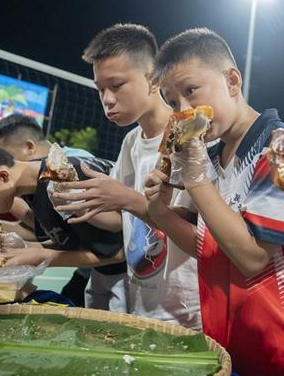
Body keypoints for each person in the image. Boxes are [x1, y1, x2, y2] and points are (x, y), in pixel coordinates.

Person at [143, 28, 284, 375]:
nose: (183, 111)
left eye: (191, 92)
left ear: (232, 81)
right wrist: (158, 211)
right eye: (173, 103)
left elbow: (252, 258)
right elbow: (210, 247)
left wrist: (198, 180)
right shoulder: (210, 156)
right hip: (230, 343)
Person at [53, 23, 201, 329]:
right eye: (100, 89)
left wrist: (126, 198)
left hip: (184, 311)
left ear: (153, 78)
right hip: (140, 302)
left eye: (117, 86)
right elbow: (125, 222)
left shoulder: (188, 137)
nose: (106, 99)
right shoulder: (132, 142)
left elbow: (191, 231)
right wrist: (78, 204)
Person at [0, 134, 129, 312]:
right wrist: (19, 251)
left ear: (2, 175)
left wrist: (42, 257)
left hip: (136, 279)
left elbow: (118, 252)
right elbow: (65, 238)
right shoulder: (32, 189)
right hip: (107, 276)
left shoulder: (65, 181)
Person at [0, 113, 100, 307]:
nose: (1, 169)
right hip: (89, 270)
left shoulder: (71, 167)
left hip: (111, 269)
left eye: (5, 160)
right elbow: (49, 228)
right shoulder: (38, 178)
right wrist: (1, 224)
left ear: (29, 147)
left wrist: (42, 254)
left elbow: (108, 247)